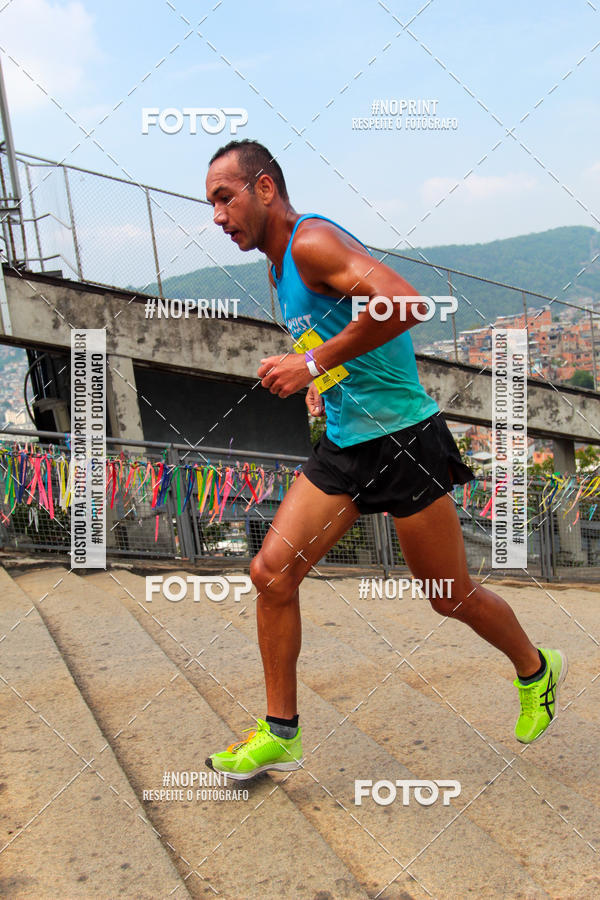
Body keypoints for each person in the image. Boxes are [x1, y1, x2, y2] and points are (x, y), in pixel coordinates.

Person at [204, 139, 567, 780]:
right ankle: (280, 731)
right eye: (211, 204)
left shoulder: (311, 241)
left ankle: (536, 670)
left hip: (404, 441)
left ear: (264, 189)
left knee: (447, 594)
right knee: (271, 574)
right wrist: (319, 375)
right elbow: (343, 335)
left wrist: (311, 362)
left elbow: (403, 304)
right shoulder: (275, 267)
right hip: (345, 445)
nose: (217, 216)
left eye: (224, 197)